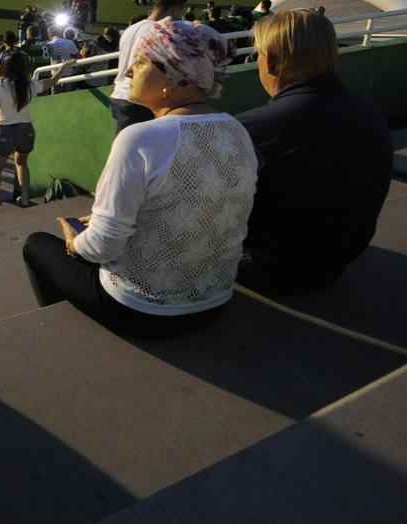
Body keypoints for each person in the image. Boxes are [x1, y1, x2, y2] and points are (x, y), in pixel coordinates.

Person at [23, 19, 256, 333]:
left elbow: (102, 248)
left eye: (141, 61)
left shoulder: (140, 139)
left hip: (142, 311)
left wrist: (74, 241)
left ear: (175, 79)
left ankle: (61, 330)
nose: (128, 70)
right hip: (216, 300)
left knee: (36, 245)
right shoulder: (236, 129)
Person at [237, 10, 392, 294]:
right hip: (340, 261)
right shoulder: (370, 112)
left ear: (270, 61)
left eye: (258, 54)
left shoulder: (252, 128)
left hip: (269, 268)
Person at [0, 52, 63, 208]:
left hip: (4, 131)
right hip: (26, 131)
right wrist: (63, 67)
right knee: (22, 164)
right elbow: (53, 81)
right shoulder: (30, 84)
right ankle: (24, 199)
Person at [110, 0, 189, 134]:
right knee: (133, 150)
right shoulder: (160, 32)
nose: (180, 19)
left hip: (119, 95)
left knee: (129, 145)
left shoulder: (131, 29)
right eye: (180, 13)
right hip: (138, 100)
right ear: (174, 10)